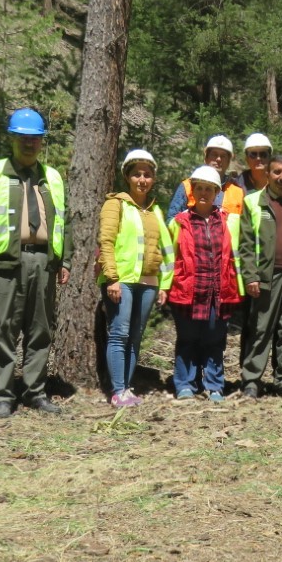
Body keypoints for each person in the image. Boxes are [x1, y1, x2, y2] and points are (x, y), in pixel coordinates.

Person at [0, 108, 71, 417]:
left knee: (40, 331)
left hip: (44, 262)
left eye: (35, 139)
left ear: (41, 142)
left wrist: (65, 261)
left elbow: (65, 222)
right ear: (11, 138)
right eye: (23, 138)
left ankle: (35, 392)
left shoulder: (52, 177)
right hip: (5, 263)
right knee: (5, 330)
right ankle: (2, 394)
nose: (29, 144)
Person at [165, 165, 243, 403]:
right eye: (199, 188)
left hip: (218, 292)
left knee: (214, 340)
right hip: (188, 290)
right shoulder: (179, 222)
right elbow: (169, 257)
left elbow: (236, 257)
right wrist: (165, 287)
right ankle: (185, 384)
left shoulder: (229, 221)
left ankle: (214, 386)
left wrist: (239, 286)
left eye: (209, 189)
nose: (204, 193)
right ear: (192, 191)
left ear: (217, 193)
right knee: (187, 339)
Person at [99, 149, 170, 408]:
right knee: (119, 333)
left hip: (149, 282)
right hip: (123, 280)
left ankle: (127, 388)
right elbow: (105, 242)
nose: (142, 179)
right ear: (128, 177)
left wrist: (164, 283)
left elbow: (164, 249)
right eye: (137, 174)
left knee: (135, 336)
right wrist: (112, 278)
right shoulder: (115, 204)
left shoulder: (154, 210)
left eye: (147, 175)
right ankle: (118, 390)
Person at [239, 154, 282, 397]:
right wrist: (250, 277)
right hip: (266, 277)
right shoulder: (252, 202)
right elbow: (246, 244)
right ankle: (251, 381)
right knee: (261, 330)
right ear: (268, 174)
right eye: (277, 172)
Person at [167, 135, 245, 217]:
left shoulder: (238, 193)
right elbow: (172, 220)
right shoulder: (188, 186)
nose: (218, 159)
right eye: (214, 154)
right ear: (206, 158)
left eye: (223, 156)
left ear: (229, 162)